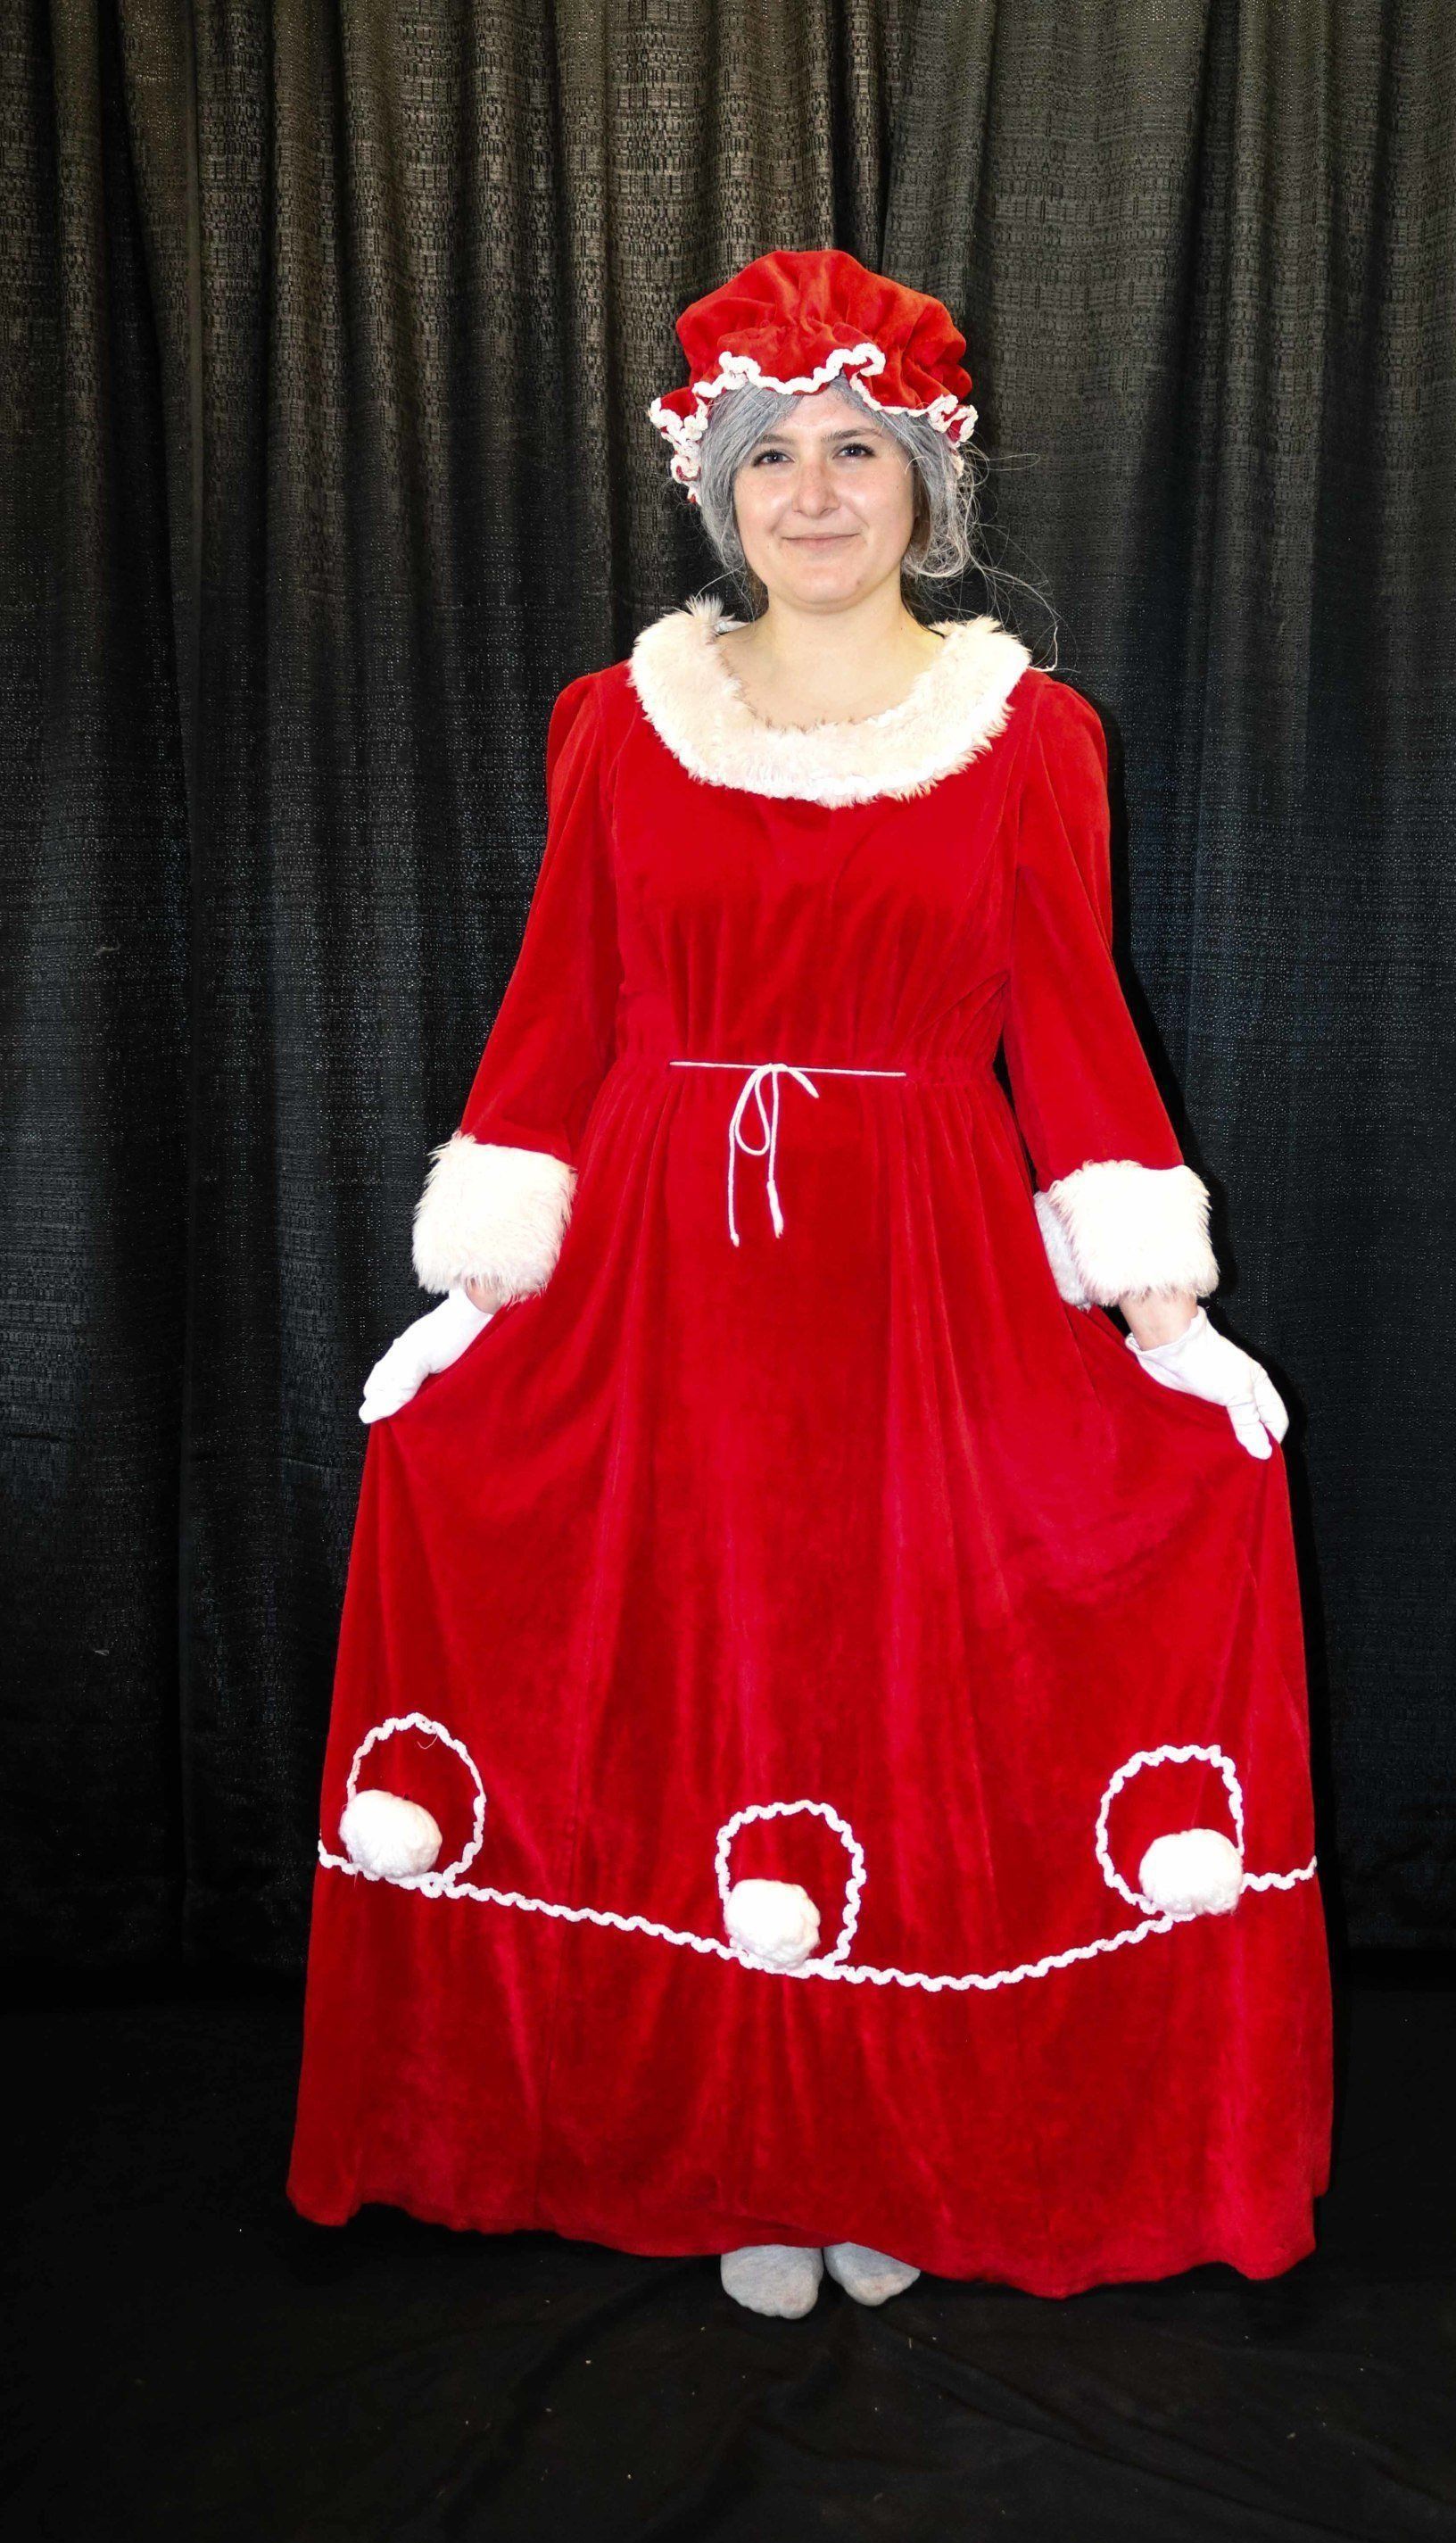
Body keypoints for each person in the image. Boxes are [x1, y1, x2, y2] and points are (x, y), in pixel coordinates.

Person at [285, 247, 1333, 2319]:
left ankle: (880, 2142)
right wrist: (483, 1284)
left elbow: (1077, 1028)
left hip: (923, 1270)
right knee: (708, 1661)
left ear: (932, 483)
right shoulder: (616, 720)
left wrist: (1161, 1312)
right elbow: (558, 1013)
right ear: (720, 483)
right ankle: (738, 2144)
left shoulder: (1031, 738)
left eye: (863, 451)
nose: (820, 492)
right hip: (665, 1277)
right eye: (780, 456)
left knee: (885, 1669)